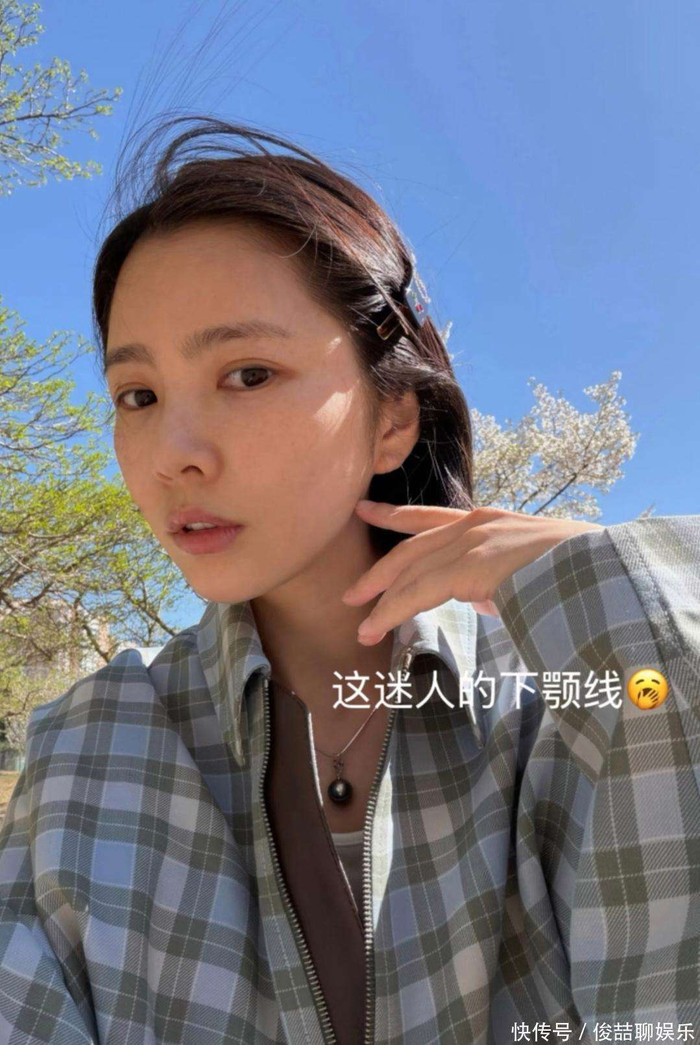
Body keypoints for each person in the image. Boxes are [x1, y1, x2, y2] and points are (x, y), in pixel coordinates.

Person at [0, 116, 698, 1045]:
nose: (173, 454)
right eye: (139, 396)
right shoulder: (90, 751)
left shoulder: (563, 701)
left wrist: (613, 583)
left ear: (393, 420)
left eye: (248, 373)